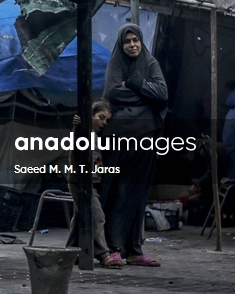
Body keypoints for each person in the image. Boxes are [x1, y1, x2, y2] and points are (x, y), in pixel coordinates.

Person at [99, 23, 169, 267]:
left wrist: (136, 84)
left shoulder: (151, 64)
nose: (132, 45)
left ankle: (134, 250)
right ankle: (112, 247)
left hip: (146, 139)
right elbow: (112, 92)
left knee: (138, 194)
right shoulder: (116, 63)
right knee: (117, 191)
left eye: (135, 40)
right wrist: (145, 101)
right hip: (119, 140)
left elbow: (162, 94)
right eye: (127, 41)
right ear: (121, 44)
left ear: (141, 41)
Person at [66, 100, 121, 268]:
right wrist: (78, 125)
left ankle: (70, 253)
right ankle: (103, 254)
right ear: (90, 116)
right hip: (80, 182)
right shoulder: (83, 132)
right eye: (101, 117)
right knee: (97, 216)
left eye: (107, 120)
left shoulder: (96, 135)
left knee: (80, 217)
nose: (104, 122)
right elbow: (77, 139)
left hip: (91, 181)